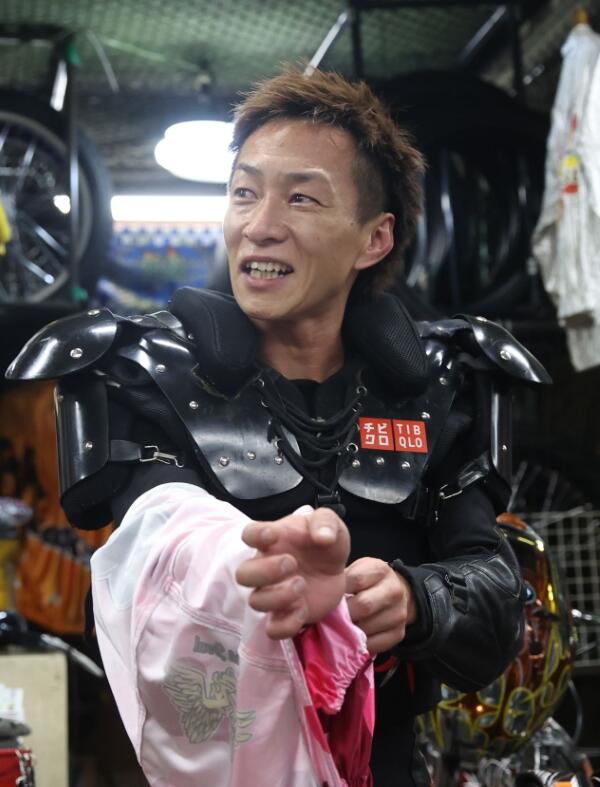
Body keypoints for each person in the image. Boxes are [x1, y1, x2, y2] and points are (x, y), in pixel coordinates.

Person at [7, 68, 551, 786]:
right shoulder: (146, 374)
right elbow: (158, 550)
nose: (260, 223)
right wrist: (255, 572)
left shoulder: (442, 385)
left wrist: (413, 599)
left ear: (374, 238)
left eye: (301, 197)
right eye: (244, 193)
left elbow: (499, 596)